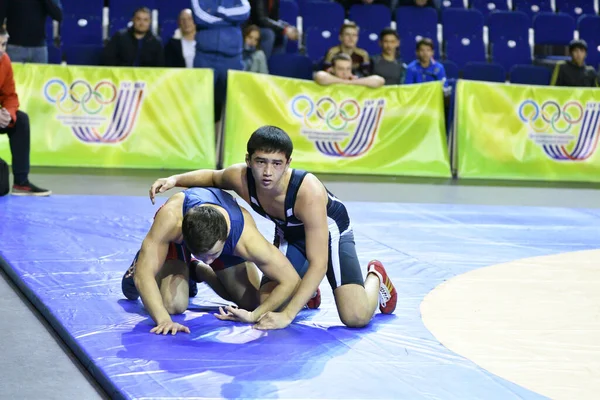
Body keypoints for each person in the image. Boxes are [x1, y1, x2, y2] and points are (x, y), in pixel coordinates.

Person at [149, 126, 398, 330]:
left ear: (288, 162)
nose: (268, 172)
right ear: (248, 160)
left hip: (331, 232)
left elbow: (319, 263)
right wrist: (174, 180)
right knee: (267, 304)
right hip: (289, 232)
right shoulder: (241, 177)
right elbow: (212, 177)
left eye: (277, 164)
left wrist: (287, 316)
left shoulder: (307, 191)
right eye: (261, 162)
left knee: (355, 316)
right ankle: (306, 294)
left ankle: (376, 277)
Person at [122, 186, 301, 335]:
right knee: (172, 305)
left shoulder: (246, 239)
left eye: (213, 255)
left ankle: (195, 269)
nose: (209, 261)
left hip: (221, 233)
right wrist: (164, 321)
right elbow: (143, 276)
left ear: (225, 240)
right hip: (178, 234)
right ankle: (146, 257)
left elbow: (291, 279)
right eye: (201, 256)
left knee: (252, 303)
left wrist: (255, 314)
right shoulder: (171, 222)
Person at [0, 28, 51, 196]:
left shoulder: (4, 61)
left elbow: (10, 96)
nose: (1, 50)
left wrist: (8, 113)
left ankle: (21, 182)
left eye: (4, 44)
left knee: (20, 119)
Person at [314, 53, 384, 88]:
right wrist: (346, 82)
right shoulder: (327, 79)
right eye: (341, 69)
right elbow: (320, 76)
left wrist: (353, 82)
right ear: (332, 69)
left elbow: (380, 81)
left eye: (348, 69)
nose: (345, 73)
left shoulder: (354, 80)